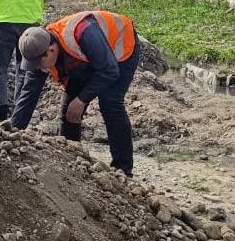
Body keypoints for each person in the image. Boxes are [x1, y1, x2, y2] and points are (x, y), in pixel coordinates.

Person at [12, 10, 140, 176]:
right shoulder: (38, 51)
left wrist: (82, 99)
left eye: (38, 63)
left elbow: (109, 71)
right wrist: (11, 135)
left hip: (120, 51)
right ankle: (71, 160)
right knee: (69, 111)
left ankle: (123, 169)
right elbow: (28, 95)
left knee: (110, 102)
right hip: (84, 60)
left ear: (51, 50)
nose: (37, 67)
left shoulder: (83, 31)